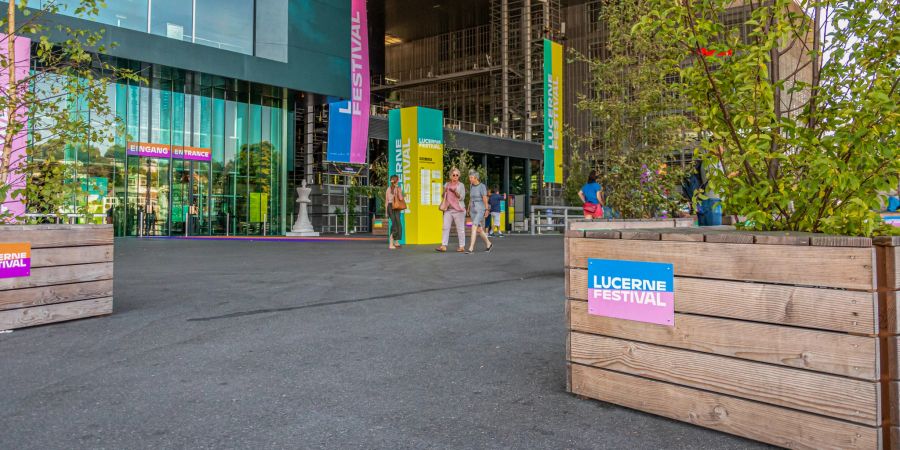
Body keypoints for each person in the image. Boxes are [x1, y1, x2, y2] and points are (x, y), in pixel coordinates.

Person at [437, 168, 466, 252]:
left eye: (457, 175)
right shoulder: (446, 184)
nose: (455, 176)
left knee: (460, 229)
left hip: (459, 210)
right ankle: (443, 246)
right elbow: (443, 196)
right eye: (454, 175)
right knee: (445, 227)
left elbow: (462, 197)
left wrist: (455, 192)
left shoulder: (461, 185)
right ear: (450, 176)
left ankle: (462, 246)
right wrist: (445, 191)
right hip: (448, 209)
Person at [466, 171, 492, 253]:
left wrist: (487, 210)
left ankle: (471, 248)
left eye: (471, 178)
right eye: (469, 177)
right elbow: (471, 198)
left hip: (480, 208)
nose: (470, 179)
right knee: (479, 229)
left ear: (476, 178)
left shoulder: (482, 186)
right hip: (473, 209)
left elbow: (485, 199)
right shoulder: (471, 186)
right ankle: (489, 243)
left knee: (474, 226)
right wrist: (468, 208)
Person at [385, 175, 405, 250]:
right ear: (396, 181)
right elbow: (400, 198)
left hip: (393, 207)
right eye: (398, 180)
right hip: (392, 207)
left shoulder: (390, 189)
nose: (399, 180)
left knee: (398, 225)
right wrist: (398, 190)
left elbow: (387, 201)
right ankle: (391, 243)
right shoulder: (392, 189)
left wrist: (386, 212)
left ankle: (396, 242)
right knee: (395, 226)